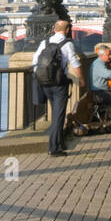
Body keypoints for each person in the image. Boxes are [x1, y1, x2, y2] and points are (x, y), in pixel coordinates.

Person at [31, 19, 83, 156]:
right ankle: (54, 148)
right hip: (60, 84)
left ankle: (59, 143)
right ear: (67, 31)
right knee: (58, 116)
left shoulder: (44, 43)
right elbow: (75, 63)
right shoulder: (67, 44)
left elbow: (35, 61)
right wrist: (81, 79)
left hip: (45, 83)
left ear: (54, 29)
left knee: (56, 113)